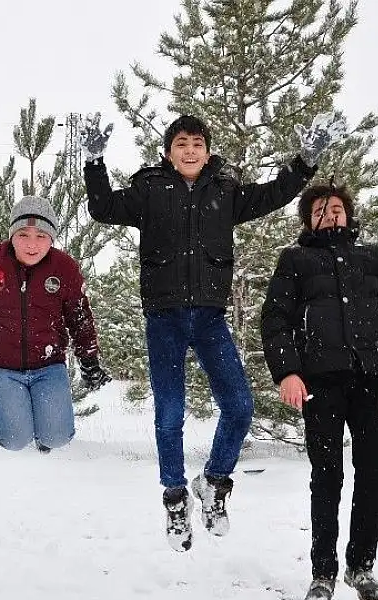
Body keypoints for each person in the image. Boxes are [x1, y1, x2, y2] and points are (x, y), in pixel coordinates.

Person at [81, 111, 347, 551]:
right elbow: (103, 207)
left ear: (207, 152)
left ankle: (214, 483)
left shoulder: (225, 192)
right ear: (168, 152)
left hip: (209, 318)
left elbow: (276, 193)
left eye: (197, 144)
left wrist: (308, 159)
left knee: (240, 406)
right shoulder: (150, 189)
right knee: (169, 415)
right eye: (181, 143)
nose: (190, 151)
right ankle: (174, 498)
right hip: (164, 318)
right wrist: (93, 160)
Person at [260, 183, 378, 600]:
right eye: (320, 209)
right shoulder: (295, 260)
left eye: (337, 208)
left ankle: (361, 566)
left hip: (370, 379)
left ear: (349, 215)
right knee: (327, 476)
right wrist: (288, 372)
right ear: (307, 219)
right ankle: (323, 574)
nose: (330, 214)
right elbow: (276, 318)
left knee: (374, 475)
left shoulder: (375, 259)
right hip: (320, 383)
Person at [0, 196, 110, 453]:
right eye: (23, 234)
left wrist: (89, 359)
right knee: (14, 440)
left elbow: (79, 316)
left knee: (57, 437)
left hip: (48, 364)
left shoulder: (64, 268)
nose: (32, 244)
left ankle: (43, 430)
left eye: (41, 235)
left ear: (52, 238)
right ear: (11, 235)